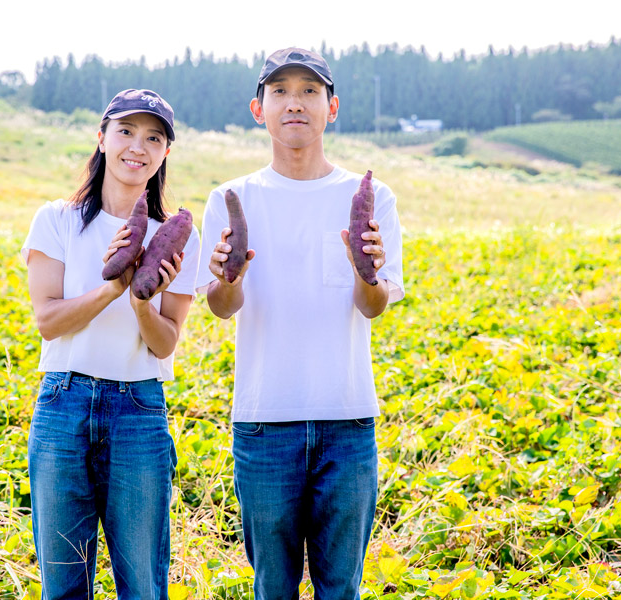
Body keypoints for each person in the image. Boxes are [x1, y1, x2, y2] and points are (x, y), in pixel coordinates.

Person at [195, 48, 405, 600]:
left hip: (347, 421)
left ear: (332, 108)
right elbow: (221, 306)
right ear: (258, 109)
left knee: (341, 589)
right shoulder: (231, 199)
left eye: (310, 91)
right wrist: (231, 275)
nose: (295, 103)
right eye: (281, 91)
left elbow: (373, 305)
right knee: (273, 588)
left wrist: (365, 269)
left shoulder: (370, 198)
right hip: (264, 423)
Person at [22, 88, 200, 600]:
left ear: (166, 152)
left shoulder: (177, 236)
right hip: (64, 404)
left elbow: (165, 344)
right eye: (125, 131)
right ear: (101, 139)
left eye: (154, 138)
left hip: (138, 409)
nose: (137, 147)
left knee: (143, 583)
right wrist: (113, 287)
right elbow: (48, 322)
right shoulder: (56, 219)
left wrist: (143, 299)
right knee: (63, 581)